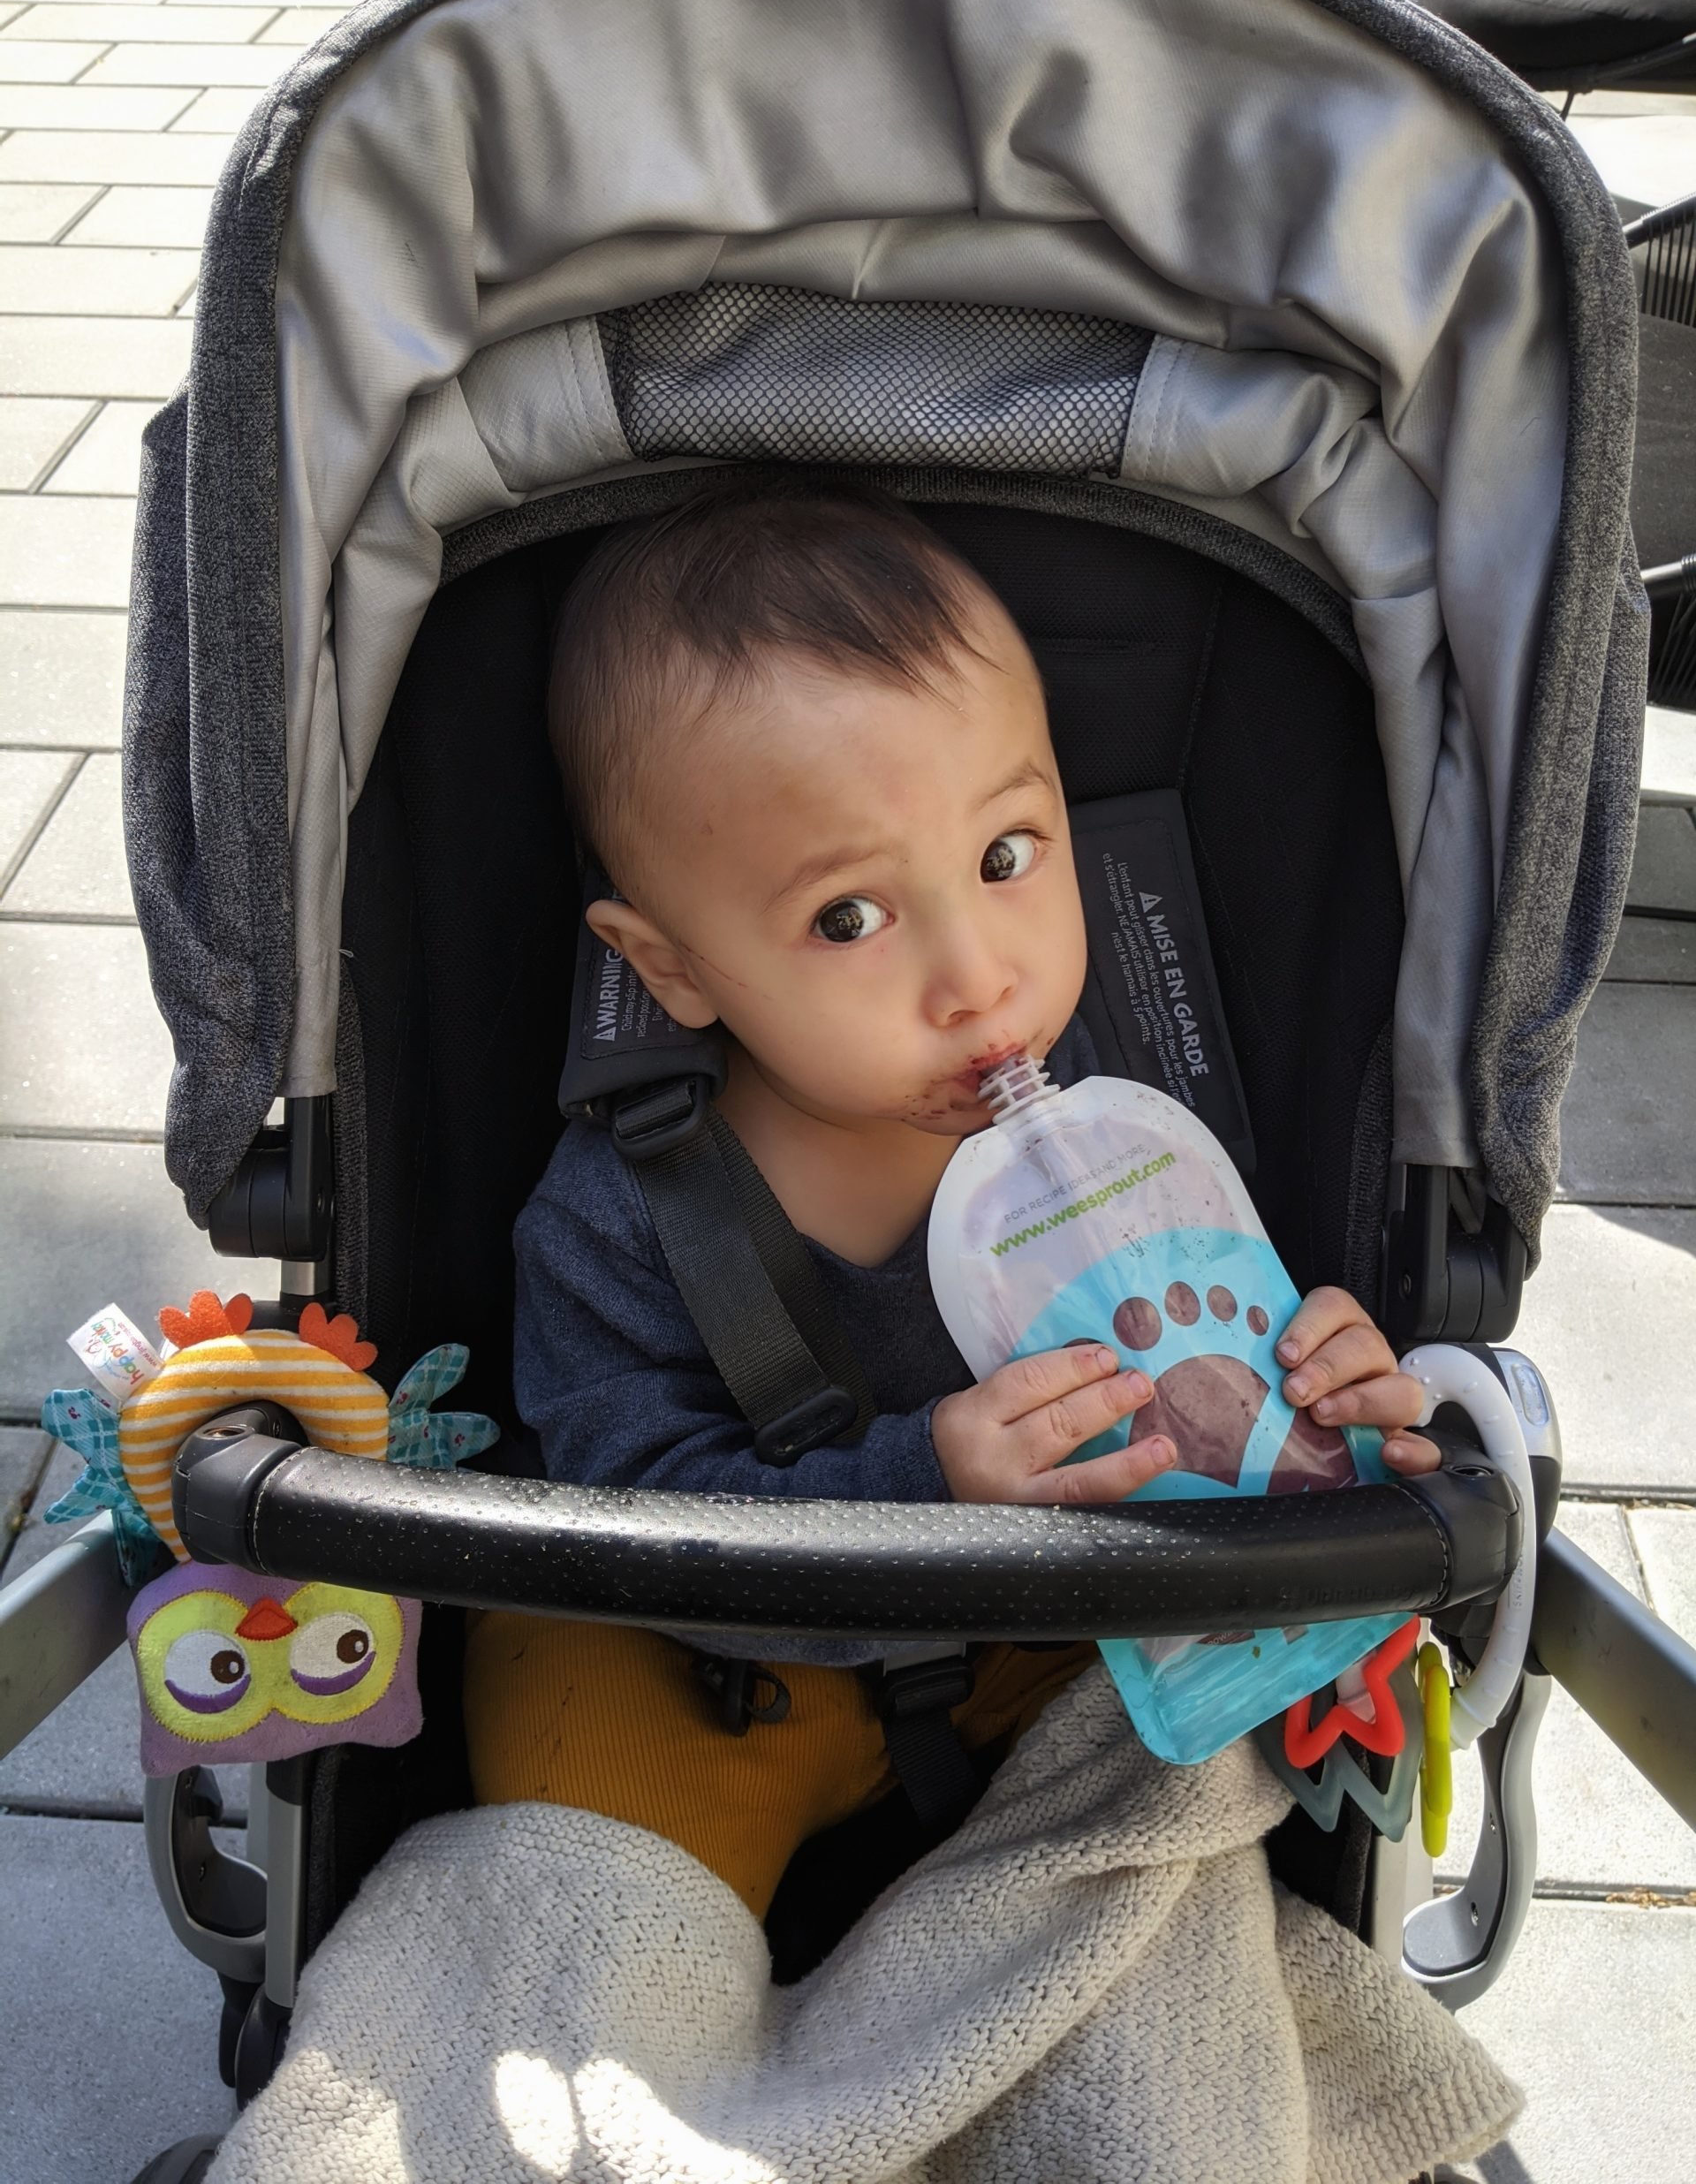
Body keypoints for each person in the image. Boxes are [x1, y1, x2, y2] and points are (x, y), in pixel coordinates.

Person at [464, 482, 1440, 1917]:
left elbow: (1224, 1341)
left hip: (1069, 1650)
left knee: (1192, 1826)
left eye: (1006, 856)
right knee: (566, 1773)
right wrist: (926, 1486)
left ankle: (1061, 2011)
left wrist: (1327, 1384)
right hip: (732, 1667)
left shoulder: (1136, 1117)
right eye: (848, 918)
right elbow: (629, 1508)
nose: (979, 976)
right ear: (667, 966)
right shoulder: (617, 1219)